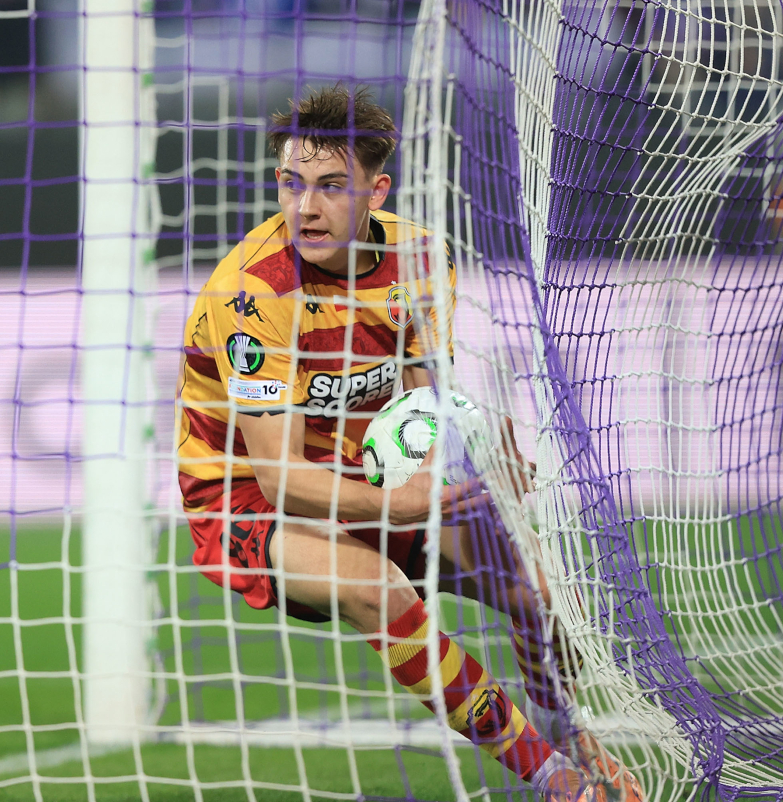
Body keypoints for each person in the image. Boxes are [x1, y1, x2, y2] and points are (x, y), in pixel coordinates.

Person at [176, 84, 642, 800]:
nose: (306, 207)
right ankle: (552, 780)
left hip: (368, 466)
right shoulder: (252, 297)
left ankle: (565, 730)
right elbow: (280, 478)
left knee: (539, 595)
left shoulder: (423, 261)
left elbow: (425, 406)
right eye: (292, 184)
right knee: (378, 590)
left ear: (376, 189)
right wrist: (409, 500)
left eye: (332, 186)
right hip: (248, 499)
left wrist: (476, 458)